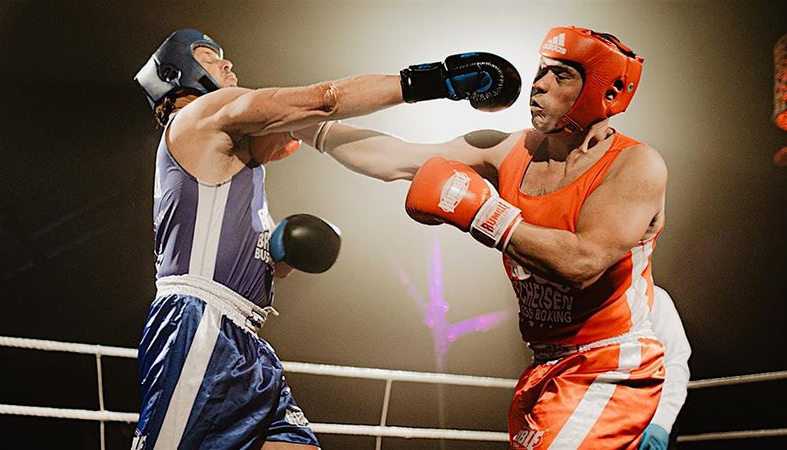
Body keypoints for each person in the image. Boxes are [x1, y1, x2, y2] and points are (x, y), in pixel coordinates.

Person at [131, 28, 519, 449]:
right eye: (209, 56)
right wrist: (436, 79)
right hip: (198, 327)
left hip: (244, 339)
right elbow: (325, 99)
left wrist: (492, 155)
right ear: (177, 75)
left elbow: (387, 158)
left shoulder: (233, 154)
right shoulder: (200, 114)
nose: (226, 62)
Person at [295, 26, 664, 449]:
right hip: (545, 364)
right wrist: (296, 124)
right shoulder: (507, 150)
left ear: (606, 90)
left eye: (561, 75)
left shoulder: (635, 165)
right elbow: (394, 160)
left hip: (610, 363)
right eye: (541, 70)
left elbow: (582, 263)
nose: (539, 84)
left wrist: (483, 213)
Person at [641, 286, 691, 450]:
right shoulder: (582, 302)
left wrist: (661, 422)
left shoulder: (653, 297)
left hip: (647, 422)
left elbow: (675, 362)